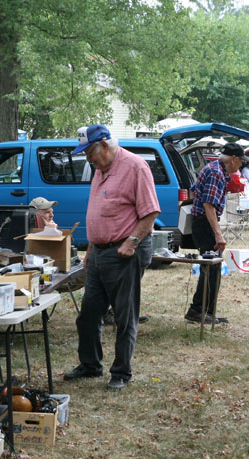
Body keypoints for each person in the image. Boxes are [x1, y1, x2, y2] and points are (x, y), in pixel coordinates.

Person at [62, 124, 159, 391]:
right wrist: (91, 249)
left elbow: (150, 212)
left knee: (124, 314)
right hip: (100, 252)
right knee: (89, 314)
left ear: (104, 145)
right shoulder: (100, 169)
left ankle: (121, 373)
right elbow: (100, 211)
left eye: (90, 152)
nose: (88, 159)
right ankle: (91, 364)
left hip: (124, 251)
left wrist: (133, 241)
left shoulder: (135, 167)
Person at [184, 143, 249, 325]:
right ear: (234, 159)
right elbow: (208, 205)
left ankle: (208, 311)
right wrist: (218, 234)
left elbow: (194, 188)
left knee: (214, 267)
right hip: (204, 223)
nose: (241, 166)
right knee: (210, 267)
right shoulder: (216, 173)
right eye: (241, 161)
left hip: (203, 222)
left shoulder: (213, 168)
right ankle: (197, 310)